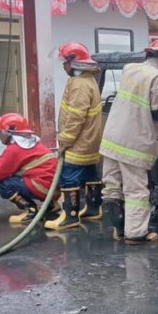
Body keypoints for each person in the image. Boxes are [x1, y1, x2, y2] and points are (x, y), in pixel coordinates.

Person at [99, 38, 158, 244]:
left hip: (111, 138)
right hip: (134, 142)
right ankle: (135, 233)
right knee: (136, 190)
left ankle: (118, 229)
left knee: (112, 188)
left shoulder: (129, 69)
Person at [45, 42, 104, 231]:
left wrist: (65, 140)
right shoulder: (85, 80)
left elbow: (76, 118)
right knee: (89, 173)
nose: (63, 66)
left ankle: (70, 218)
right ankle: (94, 209)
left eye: (65, 62)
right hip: (89, 141)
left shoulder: (79, 84)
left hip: (79, 143)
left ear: (74, 62)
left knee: (68, 176)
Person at [0, 113, 59, 223]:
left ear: (9, 132)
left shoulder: (14, 149)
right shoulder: (32, 143)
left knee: (3, 184)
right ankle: (51, 205)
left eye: (0, 132)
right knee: (13, 177)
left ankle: (31, 210)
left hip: (43, 187)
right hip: (53, 189)